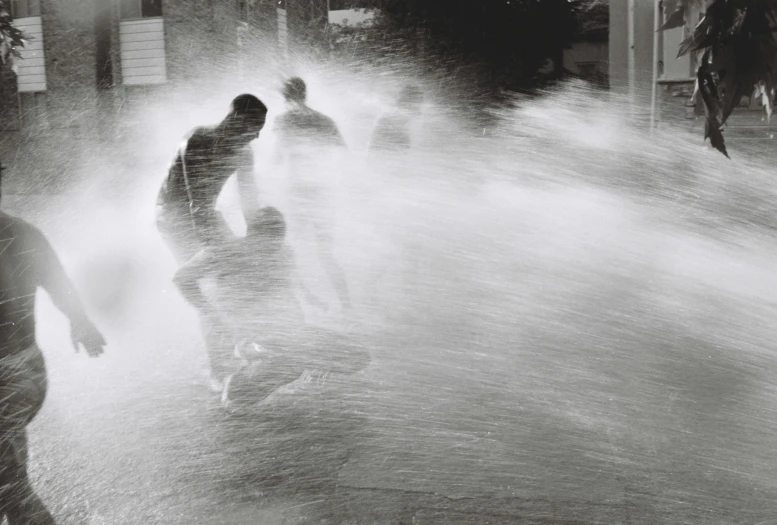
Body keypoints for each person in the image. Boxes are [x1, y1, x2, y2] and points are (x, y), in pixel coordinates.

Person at [173, 206, 367, 410]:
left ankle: (270, 359)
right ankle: (238, 386)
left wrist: (313, 347)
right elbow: (181, 278)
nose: (276, 246)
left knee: (357, 356)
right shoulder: (223, 252)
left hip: (286, 330)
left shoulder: (283, 252)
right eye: (271, 241)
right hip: (248, 331)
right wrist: (211, 312)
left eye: (279, 239)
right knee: (291, 362)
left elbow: (286, 289)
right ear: (254, 236)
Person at [0, 162, 106, 524]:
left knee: (9, 488)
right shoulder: (25, 233)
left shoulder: (23, 234)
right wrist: (81, 323)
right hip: (25, 374)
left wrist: (82, 323)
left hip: (12, 376)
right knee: (9, 486)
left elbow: (60, 286)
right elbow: (60, 286)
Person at [156, 94, 267, 265]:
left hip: (205, 213)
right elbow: (197, 202)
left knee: (238, 265)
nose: (257, 135)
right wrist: (214, 249)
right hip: (173, 215)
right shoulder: (198, 140)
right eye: (256, 127)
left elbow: (249, 199)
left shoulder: (244, 152)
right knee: (204, 272)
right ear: (236, 121)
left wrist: (256, 238)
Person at [271, 77, 352, 312]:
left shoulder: (284, 120)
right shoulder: (324, 121)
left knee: (287, 248)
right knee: (325, 252)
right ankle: (347, 306)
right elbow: (344, 155)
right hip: (322, 192)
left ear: (285, 97)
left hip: (296, 192)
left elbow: (276, 158)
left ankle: (302, 302)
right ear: (304, 95)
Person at [367, 84, 424, 154]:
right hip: (384, 156)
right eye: (418, 102)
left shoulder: (398, 117)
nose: (420, 108)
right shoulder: (393, 118)